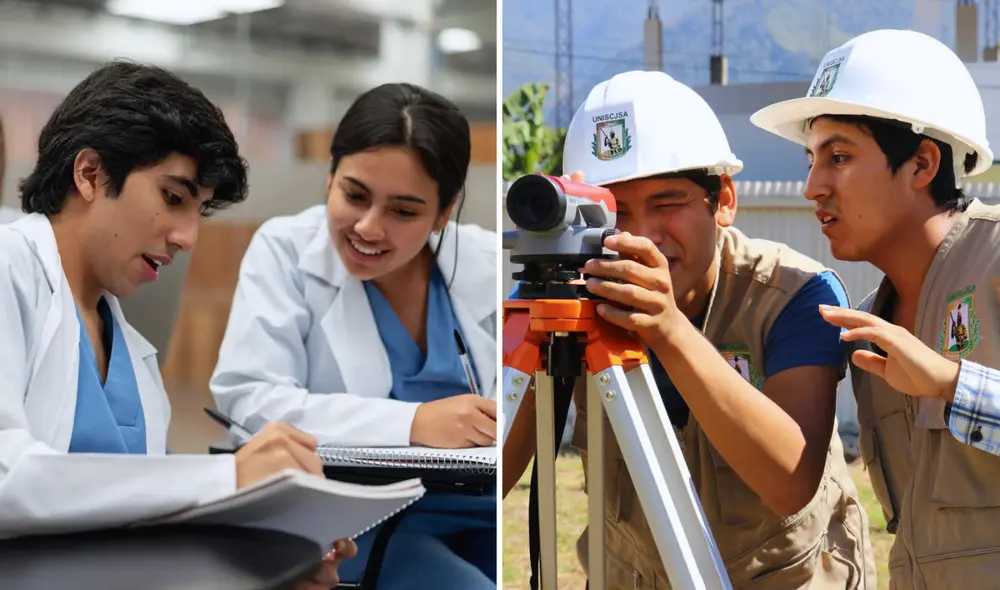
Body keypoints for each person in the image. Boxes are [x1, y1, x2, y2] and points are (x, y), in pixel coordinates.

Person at [502, 70, 876, 589]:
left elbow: (791, 482)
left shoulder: (795, 294)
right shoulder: (571, 297)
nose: (640, 235)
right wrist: (538, 314)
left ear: (723, 200)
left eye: (667, 204)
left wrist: (669, 331)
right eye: (615, 211)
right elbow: (494, 475)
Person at [0, 61, 354, 589]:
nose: (188, 237)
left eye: (200, 211)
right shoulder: (8, 271)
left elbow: (153, 515)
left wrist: (271, 556)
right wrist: (228, 476)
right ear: (90, 174)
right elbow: (9, 479)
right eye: (173, 198)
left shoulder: (134, 356)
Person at [209, 82, 498, 589]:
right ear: (329, 179)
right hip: (354, 522)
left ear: (445, 210)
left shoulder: (487, 264)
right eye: (354, 195)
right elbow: (249, 400)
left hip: (484, 508)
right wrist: (415, 423)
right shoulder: (284, 251)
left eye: (404, 211)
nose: (368, 227)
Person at [751, 28, 1000, 590]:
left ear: (921, 164)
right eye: (812, 159)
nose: (813, 186)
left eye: (839, 157)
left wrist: (953, 384)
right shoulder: (868, 332)